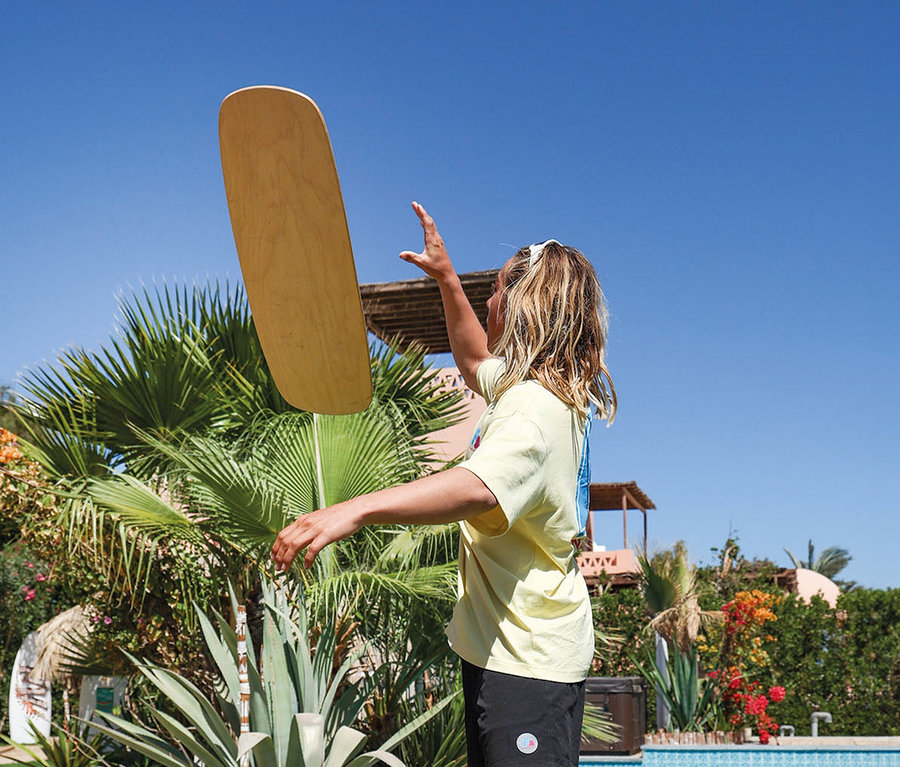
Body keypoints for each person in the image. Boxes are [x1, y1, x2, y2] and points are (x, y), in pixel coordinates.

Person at [271, 201, 617, 766]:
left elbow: (477, 487)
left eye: (499, 291)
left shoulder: (533, 407)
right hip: (509, 651)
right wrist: (447, 280)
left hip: (526, 663)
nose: (489, 301)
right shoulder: (536, 388)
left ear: (528, 308)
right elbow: (472, 353)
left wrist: (353, 511)